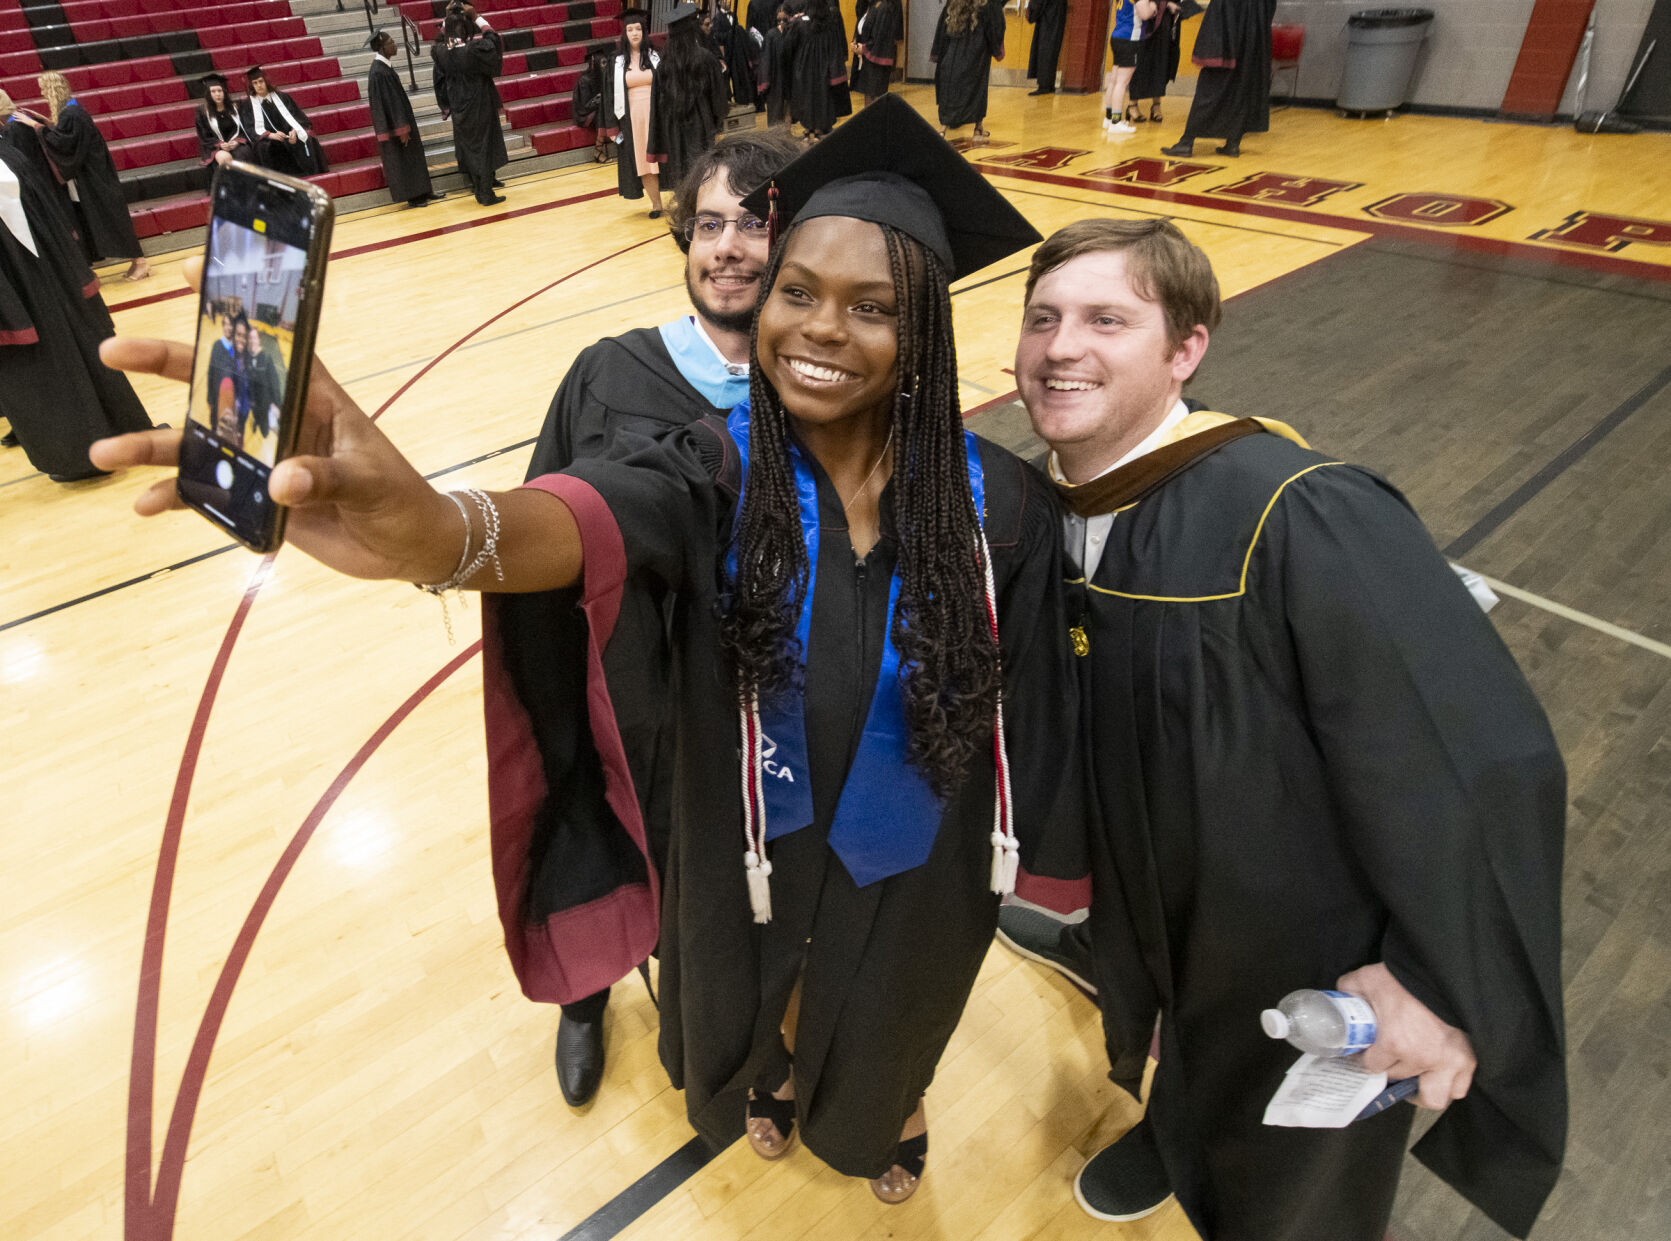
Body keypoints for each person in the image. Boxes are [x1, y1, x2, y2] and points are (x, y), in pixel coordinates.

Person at [91, 95, 1079, 1206]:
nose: (820, 328)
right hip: (745, 825)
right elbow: (584, 517)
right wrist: (434, 529)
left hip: (918, 854)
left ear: (927, 334)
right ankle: (770, 1071)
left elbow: (1032, 709)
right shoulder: (712, 470)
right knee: (752, 970)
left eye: (873, 307)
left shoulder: (1005, 511)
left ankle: (887, 1098)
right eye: (797, 291)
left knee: (899, 993)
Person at [1007, 217, 1567, 1237]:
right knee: (1185, 1039)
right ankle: (1175, 1133)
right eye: (1043, 318)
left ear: (1187, 349)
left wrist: (1429, 972)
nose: (1060, 346)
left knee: (1294, 1173)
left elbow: (1481, 753)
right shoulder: (1050, 508)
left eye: (1105, 319)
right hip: (1159, 889)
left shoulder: (1295, 509)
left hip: (1305, 927)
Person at [514, 127, 800, 1110]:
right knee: (594, 810)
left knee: (720, 852)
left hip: (747, 694)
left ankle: (713, 990)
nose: (728, 247)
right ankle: (586, 987)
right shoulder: (608, 372)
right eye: (708, 223)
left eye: (755, 225)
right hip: (627, 678)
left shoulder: (818, 385)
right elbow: (544, 528)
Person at [0, 134, 152, 480]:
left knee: (84, 349)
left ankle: (119, 431)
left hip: (51, 278)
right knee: (44, 367)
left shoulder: (7, 151)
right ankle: (78, 457)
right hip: (16, 289)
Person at [22, 72, 149, 281]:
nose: (42, 93)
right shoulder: (71, 109)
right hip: (95, 174)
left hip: (95, 177)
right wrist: (48, 124)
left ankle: (141, 262)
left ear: (53, 88)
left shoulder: (71, 114)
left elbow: (64, 143)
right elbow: (67, 136)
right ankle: (137, 261)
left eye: (44, 88)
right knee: (111, 217)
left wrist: (36, 127)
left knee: (114, 218)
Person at [1162, 0, 1275, 157]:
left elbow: (1222, 13)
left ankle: (1187, 142)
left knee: (1209, 90)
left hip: (1227, 42)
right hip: (1253, 45)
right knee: (1241, 91)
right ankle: (1233, 143)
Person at [647, 4, 729, 195]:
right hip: (702, 122)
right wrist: (714, 122)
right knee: (703, 170)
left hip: (672, 126)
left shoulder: (664, 65)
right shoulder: (706, 58)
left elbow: (657, 104)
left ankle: (683, 213)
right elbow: (718, 97)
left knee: (680, 172)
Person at [433, 4, 509, 205]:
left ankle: (478, 188)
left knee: (470, 149)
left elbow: (442, 39)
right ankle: (486, 193)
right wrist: (476, 17)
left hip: (459, 107)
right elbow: (493, 41)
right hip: (479, 104)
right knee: (483, 147)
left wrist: (448, 17)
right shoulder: (473, 51)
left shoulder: (440, 52)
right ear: (464, 30)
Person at [367, 30, 442, 208]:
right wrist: (401, 129)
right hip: (397, 126)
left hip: (403, 121)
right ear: (382, 47)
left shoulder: (385, 68)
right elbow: (388, 104)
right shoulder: (378, 72)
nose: (395, 45)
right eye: (391, 42)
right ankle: (414, 197)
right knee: (405, 159)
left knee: (414, 156)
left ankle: (424, 191)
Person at [611, 8, 663, 217]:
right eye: (630, 29)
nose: (634, 33)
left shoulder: (655, 56)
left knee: (662, 159)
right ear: (625, 33)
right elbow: (609, 96)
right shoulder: (617, 62)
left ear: (644, 32)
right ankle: (656, 204)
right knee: (643, 161)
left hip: (657, 115)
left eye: (638, 29)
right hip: (632, 118)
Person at [930, 0, 1005, 142]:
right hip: (977, 53)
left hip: (952, 53)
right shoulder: (987, 5)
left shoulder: (953, 3)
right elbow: (994, 28)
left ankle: (942, 129)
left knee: (950, 88)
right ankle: (977, 129)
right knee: (977, 89)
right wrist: (996, 49)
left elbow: (942, 30)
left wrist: (939, 54)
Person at [238, 65, 331, 179]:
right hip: (269, 138)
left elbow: (298, 117)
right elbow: (249, 128)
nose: (259, 85)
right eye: (255, 83)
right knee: (263, 146)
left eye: (261, 81)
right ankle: (274, 180)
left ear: (266, 81)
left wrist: (294, 131)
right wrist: (270, 135)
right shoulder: (247, 105)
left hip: (289, 135)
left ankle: (311, 173)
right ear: (251, 85)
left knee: (307, 136)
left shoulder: (282, 97)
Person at [787, 0, 851, 139]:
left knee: (807, 97)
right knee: (822, 96)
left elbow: (789, 45)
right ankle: (820, 128)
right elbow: (836, 48)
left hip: (804, 68)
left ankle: (809, 127)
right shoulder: (831, 24)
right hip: (824, 68)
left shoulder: (799, 24)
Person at [1127, 1, 1198, 125]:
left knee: (1162, 63)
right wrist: (1167, 4)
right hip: (1148, 23)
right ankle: (1132, 105)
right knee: (1142, 63)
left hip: (1166, 22)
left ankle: (1156, 105)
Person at [1101, 0, 1154, 135]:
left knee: (1114, 80)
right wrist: (1154, 6)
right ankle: (1116, 122)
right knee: (1122, 83)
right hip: (1129, 40)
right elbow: (1145, 14)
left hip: (1118, 36)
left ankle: (1109, 118)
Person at [194, 73, 253, 183]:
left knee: (242, 153)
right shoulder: (202, 112)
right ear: (208, 94)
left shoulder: (236, 106)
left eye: (220, 91)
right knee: (224, 158)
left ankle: (246, 185)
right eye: (213, 91)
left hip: (236, 143)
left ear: (224, 92)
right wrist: (220, 144)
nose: (217, 94)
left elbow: (245, 128)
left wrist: (236, 141)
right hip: (214, 146)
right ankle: (231, 188)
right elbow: (204, 136)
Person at [850, 0, 900, 108]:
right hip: (866, 60)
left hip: (877, 60)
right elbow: (862, 28)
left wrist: (863, 48)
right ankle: (869, 124)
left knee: (875, 98)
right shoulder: (869, 6)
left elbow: (881, 37)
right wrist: (855, 41)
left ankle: (876, 124)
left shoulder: (884, 8)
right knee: (868, 97)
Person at [573, 47, 616, 164]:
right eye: (602, 63)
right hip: (585, 114)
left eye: (605, 63)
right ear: (594, 62)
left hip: (602, 108)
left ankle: (623, 144)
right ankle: (598, 151)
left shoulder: (605, 77)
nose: (604, 66)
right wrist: (603, 99)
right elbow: (585, 105)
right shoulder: (584, 80)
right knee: (602, 115)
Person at [756, 5, 793, 127]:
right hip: (775, 80)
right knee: (775, 112)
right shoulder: (771, 35)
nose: (781, 22)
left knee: (788, 109)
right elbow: (765, 60)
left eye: (785, 20)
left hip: (789, 78)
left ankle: (787, 136)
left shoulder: (792, 33)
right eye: (779, 20)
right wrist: (765, 81)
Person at [1025, 0, 1066, 96]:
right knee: (1052, 48)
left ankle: (1045, 85)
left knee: (1046, 48)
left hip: (1048, 17)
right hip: (1056, 13)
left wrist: (1031, 11)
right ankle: (1048, 84)